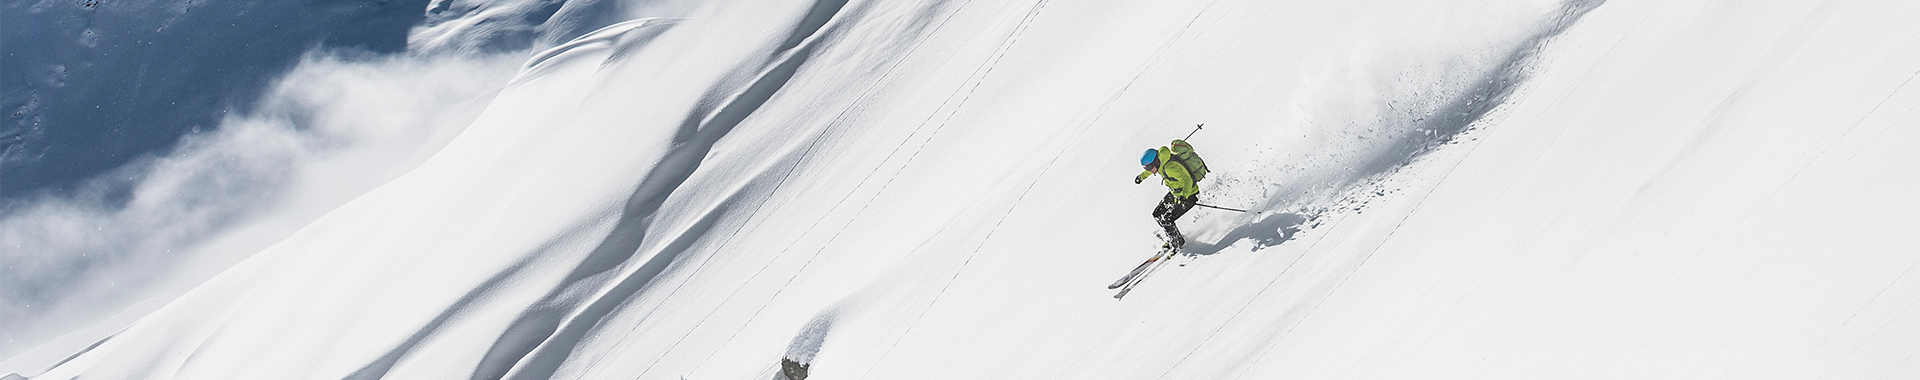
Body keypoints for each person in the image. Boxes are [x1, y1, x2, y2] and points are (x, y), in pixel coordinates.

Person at [1134, 140, 1202, 249]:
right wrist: (1141, 177)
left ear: (1156, 162)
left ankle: (1177, 242)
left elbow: (1187, 180)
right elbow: (1149, 171)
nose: (1149, 170)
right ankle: (1173, 237)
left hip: (1189, 195)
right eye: (1146, 168)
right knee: (1157, 214)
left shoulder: (1170, 168)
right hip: (1175, 193)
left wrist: (1184, 196)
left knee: (1167, 219)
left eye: (1149, 167)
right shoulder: (1160, 164)